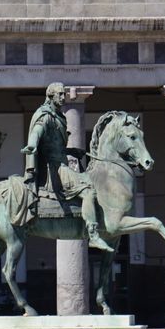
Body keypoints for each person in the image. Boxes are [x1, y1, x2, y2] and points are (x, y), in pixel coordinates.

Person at [22, 83, 108, 251]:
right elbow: (37, 132)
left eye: (64, 94)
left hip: (62, 161)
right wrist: (32, 145)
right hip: (55, 167)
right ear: (51, 96)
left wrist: (71, 151)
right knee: (89, 191)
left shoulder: (59, 116)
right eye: (60, 94)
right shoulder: (45, 116)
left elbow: (55, 145)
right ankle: (93, 235)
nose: (63, 97)